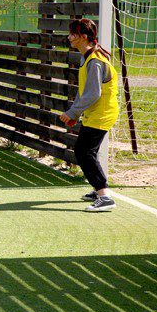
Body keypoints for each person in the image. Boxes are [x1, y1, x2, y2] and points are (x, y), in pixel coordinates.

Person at [59, 18, 119, 212]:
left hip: (102, 113)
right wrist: (75, 112)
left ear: (83, 37)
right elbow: (84, 90)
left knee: (84, 152)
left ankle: (104, 196)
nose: (69, 38)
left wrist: (73, 112)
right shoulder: (87, 58)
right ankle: (98, 189)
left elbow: (93, 94)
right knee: (87, 152)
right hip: (95, 113)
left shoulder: (94, 61)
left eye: (73, 34)